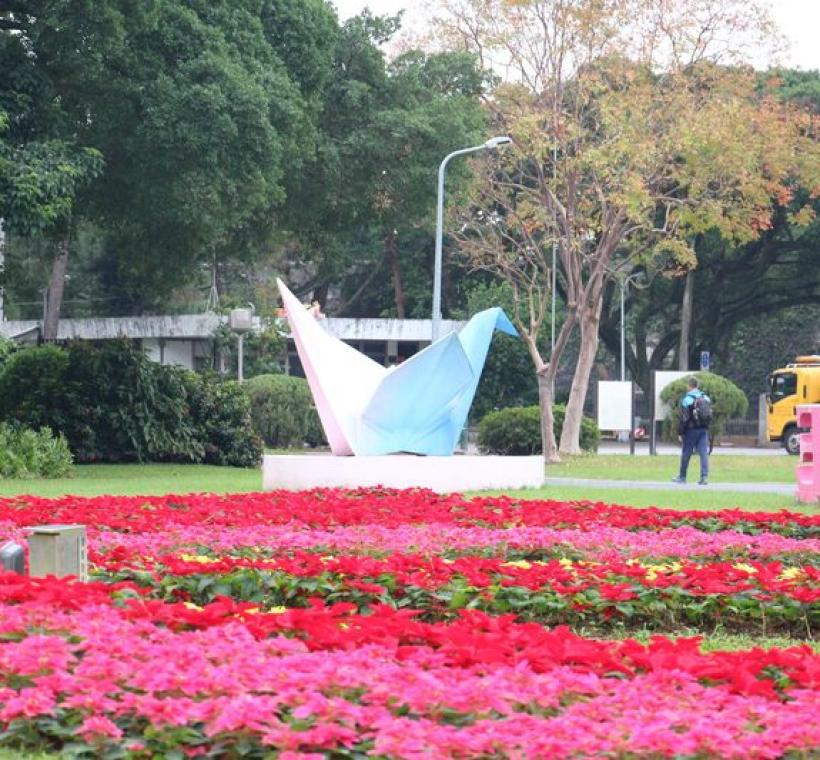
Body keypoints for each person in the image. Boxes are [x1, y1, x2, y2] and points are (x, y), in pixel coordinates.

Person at [672, 376, 710, 485]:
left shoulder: (687, 399)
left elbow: (684, 418)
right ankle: (704, 477)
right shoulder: (706, 398)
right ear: (697, 386)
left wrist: (680, 432)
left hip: (691, 430)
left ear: (689, 386)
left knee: (686, 452)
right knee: (703, 452)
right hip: (703, 429)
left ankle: (682, 476)